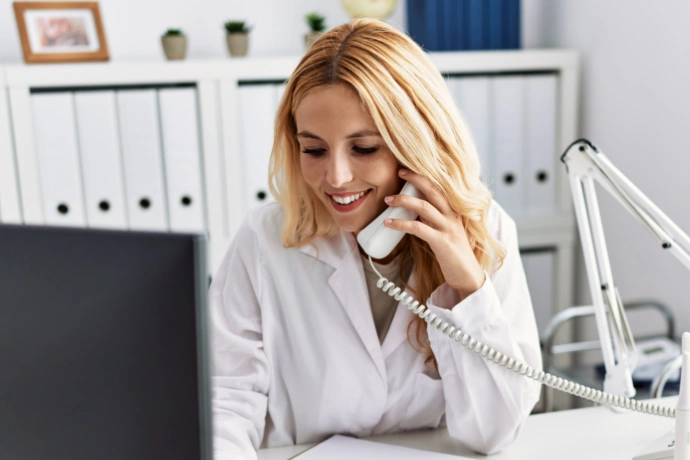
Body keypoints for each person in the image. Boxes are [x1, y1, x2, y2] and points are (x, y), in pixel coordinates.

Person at [209, 18, 542, 460]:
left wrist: (467, 288)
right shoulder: (265, 238)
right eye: (314, 149)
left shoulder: (485, 231)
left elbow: (494, 434)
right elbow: (225, 402)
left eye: (364, 148)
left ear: (417, 145)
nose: (336, 178)